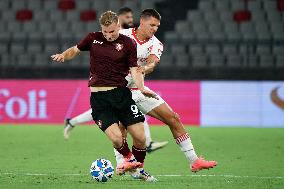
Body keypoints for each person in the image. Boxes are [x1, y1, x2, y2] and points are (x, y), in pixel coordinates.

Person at [51, 11, 157, 182]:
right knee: (116, 138)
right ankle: (130, 161)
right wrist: (64, 55)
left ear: (118, 26)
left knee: (140, 137)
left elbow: (134, 70)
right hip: (99, 99)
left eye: (112, 31)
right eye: (105, 31)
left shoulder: (128, 43)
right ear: (101, 28)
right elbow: (75, 50)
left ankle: (139, 169)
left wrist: (141, 87)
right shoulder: (93, 38)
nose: (108, 35)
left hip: (121, 95)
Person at [63, 7, 168, 153]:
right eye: (127, 17)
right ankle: (136, 151)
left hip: (131, 83)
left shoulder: (129, 37)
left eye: (131, 17)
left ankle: (143, 146)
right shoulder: (116, 35)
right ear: (120, 19)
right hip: (118, 83)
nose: (130, 19)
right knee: (117, 113)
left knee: (133, 112)